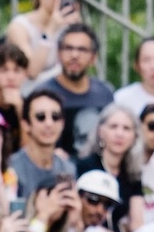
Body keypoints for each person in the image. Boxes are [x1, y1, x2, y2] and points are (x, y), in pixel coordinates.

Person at [37, 23, 113, 157]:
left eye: (82, 50)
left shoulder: (105, 93)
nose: (74, 55)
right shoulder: (42, 94)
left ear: (93, 57)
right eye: (68, 48)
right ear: (58, 54)